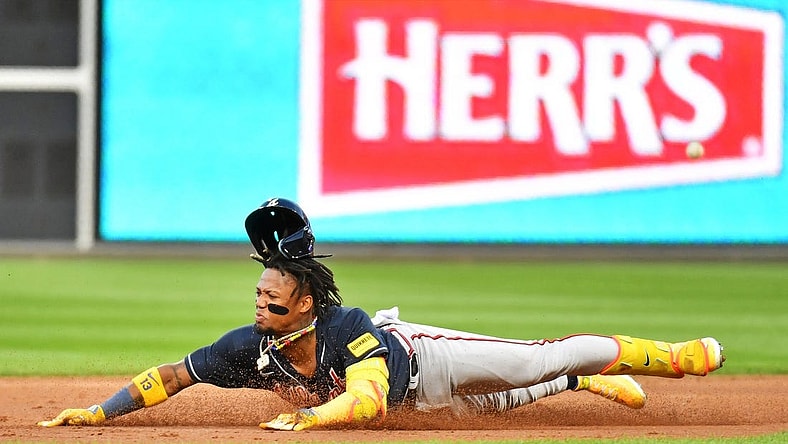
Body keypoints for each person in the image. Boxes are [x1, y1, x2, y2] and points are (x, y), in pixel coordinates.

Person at [38, 198, 724, 430]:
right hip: (421, 404)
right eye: (257, 294)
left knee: (538, 358)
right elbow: (172, 377)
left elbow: (366, 403)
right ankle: (582, 383)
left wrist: (309, 417)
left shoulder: (347, 328)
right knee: (502, 405)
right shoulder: (251, 347)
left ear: (304, 301)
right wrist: (99, 411)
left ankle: (670, 357)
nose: (258, 302)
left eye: (270, 294)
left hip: (427, 357)